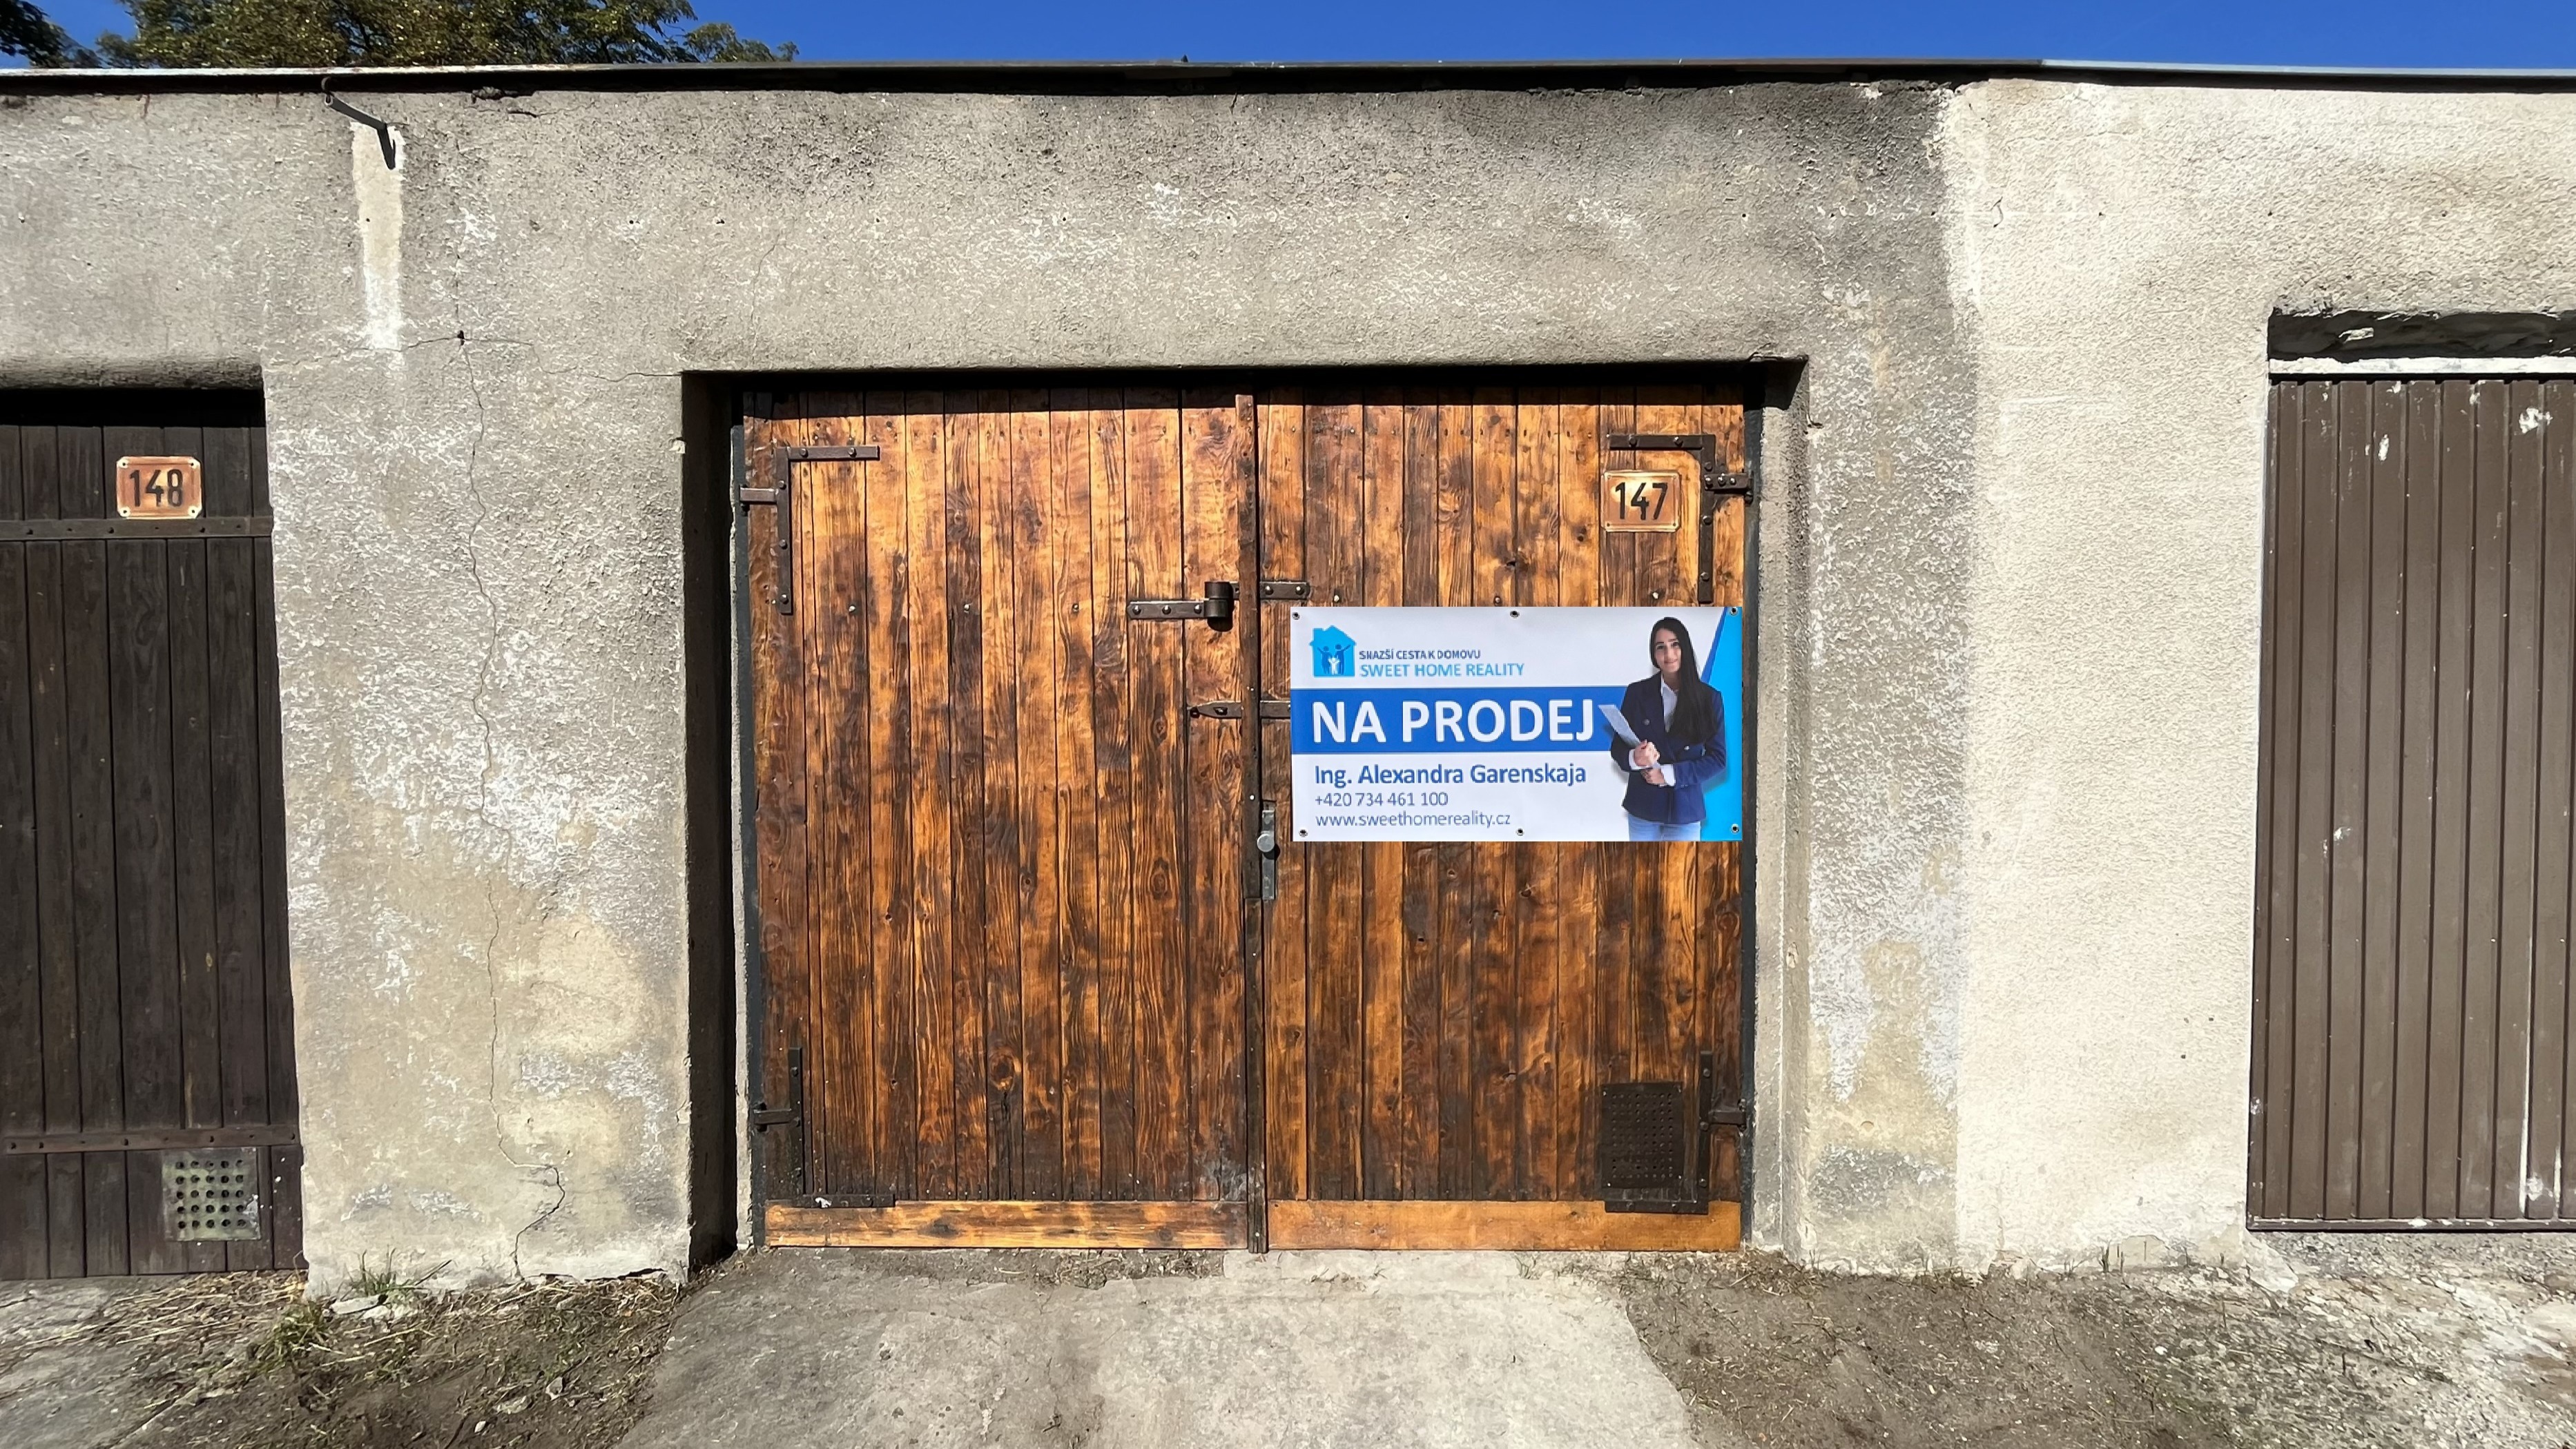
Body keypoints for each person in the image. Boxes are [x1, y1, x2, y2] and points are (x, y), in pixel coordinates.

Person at [1608, 616, 1727, 842]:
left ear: (1686, 648)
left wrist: (1669, 774)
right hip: (1643, 806)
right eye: (1660, 647)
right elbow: (1617, 748)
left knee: (1681, 865)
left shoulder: (1709, 698)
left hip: (1685, 809)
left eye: (1675, 645)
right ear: (1653, 655)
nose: (1669, 654)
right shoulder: (1637, 693)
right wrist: (1635, 758)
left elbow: (1718, 759)